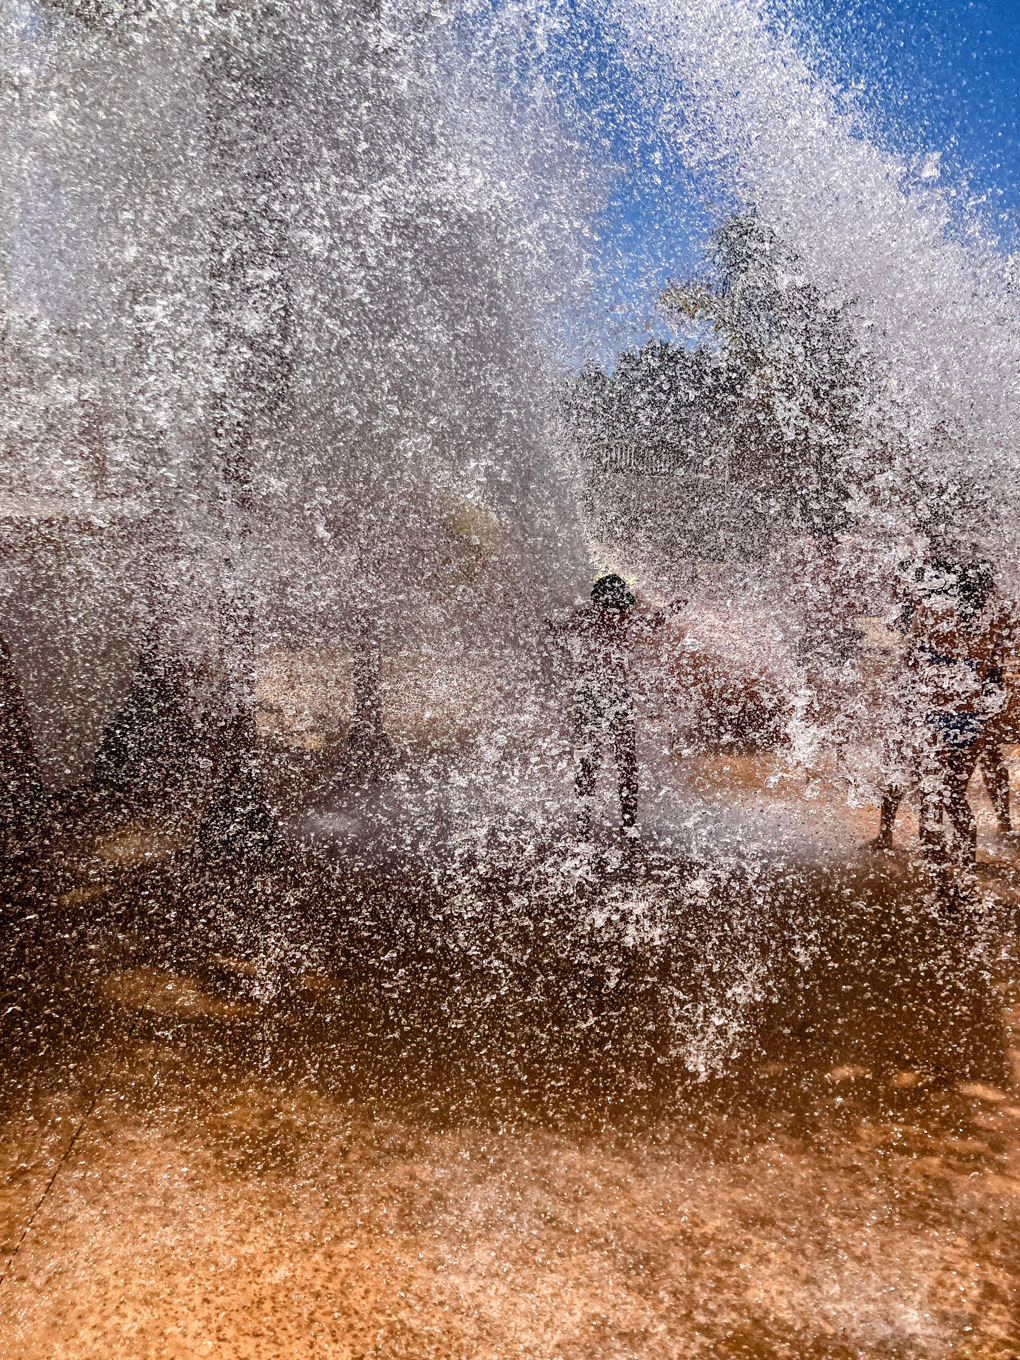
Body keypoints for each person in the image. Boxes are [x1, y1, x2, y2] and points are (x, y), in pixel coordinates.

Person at [553, 574, 680, 842]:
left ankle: (628, 825)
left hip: (616, 697)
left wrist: (673, 608)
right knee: (590, 762)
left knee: (626, 763)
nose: (616, 617)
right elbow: (556, 630)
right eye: (613, 610)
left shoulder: (613, 618)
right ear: (599, 605)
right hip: (589, 697)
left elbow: (652, 623)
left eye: (621, 610)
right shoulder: (584, 618)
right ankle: (585, 825)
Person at [902, 561, 1006, 870]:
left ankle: (942, 888)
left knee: (931, 801)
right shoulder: (987, 624)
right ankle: (966, 878)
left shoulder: (929, 613)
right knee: (958, 798)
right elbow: (994, 668)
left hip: (933, 714)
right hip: (970, 717)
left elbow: (909, 662)